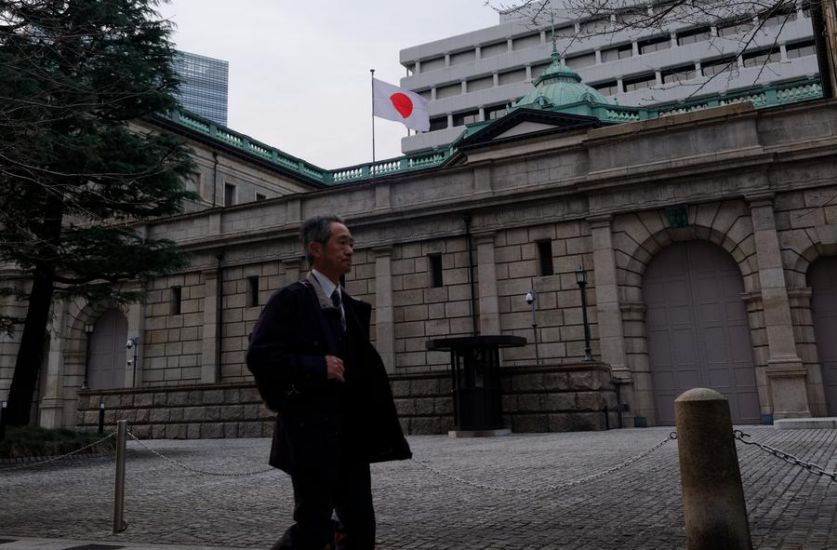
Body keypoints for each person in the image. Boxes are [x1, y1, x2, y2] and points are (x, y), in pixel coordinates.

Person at [247, 214, 412, 550]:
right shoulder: (291, 298)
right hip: (310, 434)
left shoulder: (350, 306)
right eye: (342, 242)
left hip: (350, 437)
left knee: (361, 528)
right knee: (313, 528)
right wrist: (315, 366)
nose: (350, 250)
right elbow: (259, 356)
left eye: (351, 243)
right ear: (315, 249)